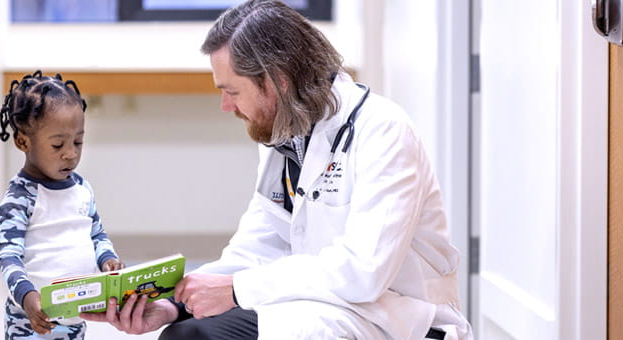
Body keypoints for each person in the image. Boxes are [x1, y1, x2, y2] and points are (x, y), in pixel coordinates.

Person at [81, 0, 472, 338]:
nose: (226, 107)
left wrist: (234, 291)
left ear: (278, 82)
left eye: (231, 91)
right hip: (325, 308)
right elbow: (256, 248)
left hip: (400, 318)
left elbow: (363, 272)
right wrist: (174, 304)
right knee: (187, 332)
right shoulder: (286, 138)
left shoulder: (384, 131)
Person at [0, 70, 125, 339]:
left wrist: (107, 258)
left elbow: (96, 233)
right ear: (23, 141)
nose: (71, 153)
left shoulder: (81, 189)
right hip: (29, 319)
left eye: (78, 141)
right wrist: (27, 297)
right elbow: (8, 257)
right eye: (58, 145)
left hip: (75, 314)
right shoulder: (20, 198)